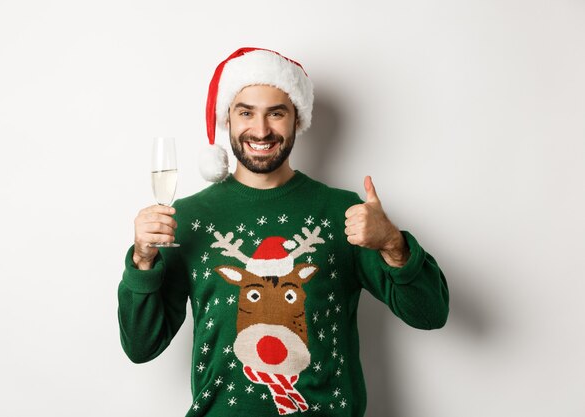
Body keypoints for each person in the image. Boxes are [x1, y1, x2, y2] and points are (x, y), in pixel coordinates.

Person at [118, 47, 449, 416]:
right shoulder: (187, 218)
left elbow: (430, 313)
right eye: (246, 112)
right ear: (227, 118)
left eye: (276, 113)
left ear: (297, 120)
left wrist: (392, 243)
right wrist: (142, 261)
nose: (260, 130)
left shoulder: (342, 211)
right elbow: (141, 347)